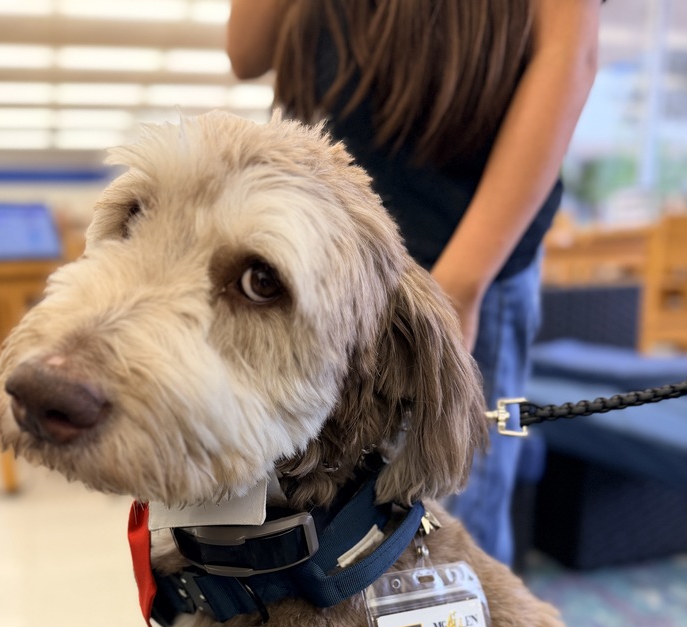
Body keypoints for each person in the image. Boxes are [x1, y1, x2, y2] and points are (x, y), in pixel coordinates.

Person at [226, 0, 600, 567]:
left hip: (462, 265)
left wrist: (461, 285)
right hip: (336, 277)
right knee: (316, 536)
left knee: (448, 548)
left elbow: (568, 53)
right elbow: (245, 51)